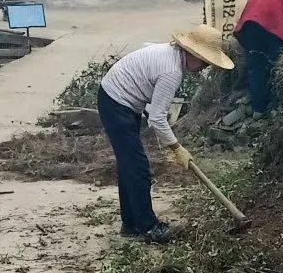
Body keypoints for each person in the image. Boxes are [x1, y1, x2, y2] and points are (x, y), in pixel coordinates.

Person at [97, 25, 233, 242]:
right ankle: (149, 228)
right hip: (117, 102)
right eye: (205, 62)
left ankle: (131, 224)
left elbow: (146, 61)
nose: (204, 67)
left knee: (129, 166)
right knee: (139, 169)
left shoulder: (170, 54)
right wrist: (176, 148)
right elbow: (157, 119)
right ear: (193, 54)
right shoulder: (172, 71)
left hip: (118, 99)